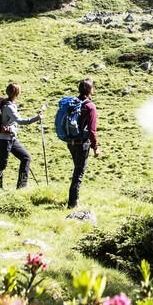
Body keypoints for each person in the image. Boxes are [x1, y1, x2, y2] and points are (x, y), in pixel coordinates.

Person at [0, 82, 41, 190]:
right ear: (16, 94)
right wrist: (36, 118)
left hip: (10, 138)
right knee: (2, 164)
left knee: (26, 157)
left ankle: (22, 186)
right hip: (5, 140)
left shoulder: (8, 105)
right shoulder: (8, 107)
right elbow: (20, 121)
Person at [67, 78, 99, 208]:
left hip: (70, 142)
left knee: (77, 169)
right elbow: (92, 130)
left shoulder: (72, 103)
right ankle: (72, 203)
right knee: (79, 172)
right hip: (82, 143)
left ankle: (74, 200)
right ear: (90, 90)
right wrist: (95, 147)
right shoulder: (90, 107)